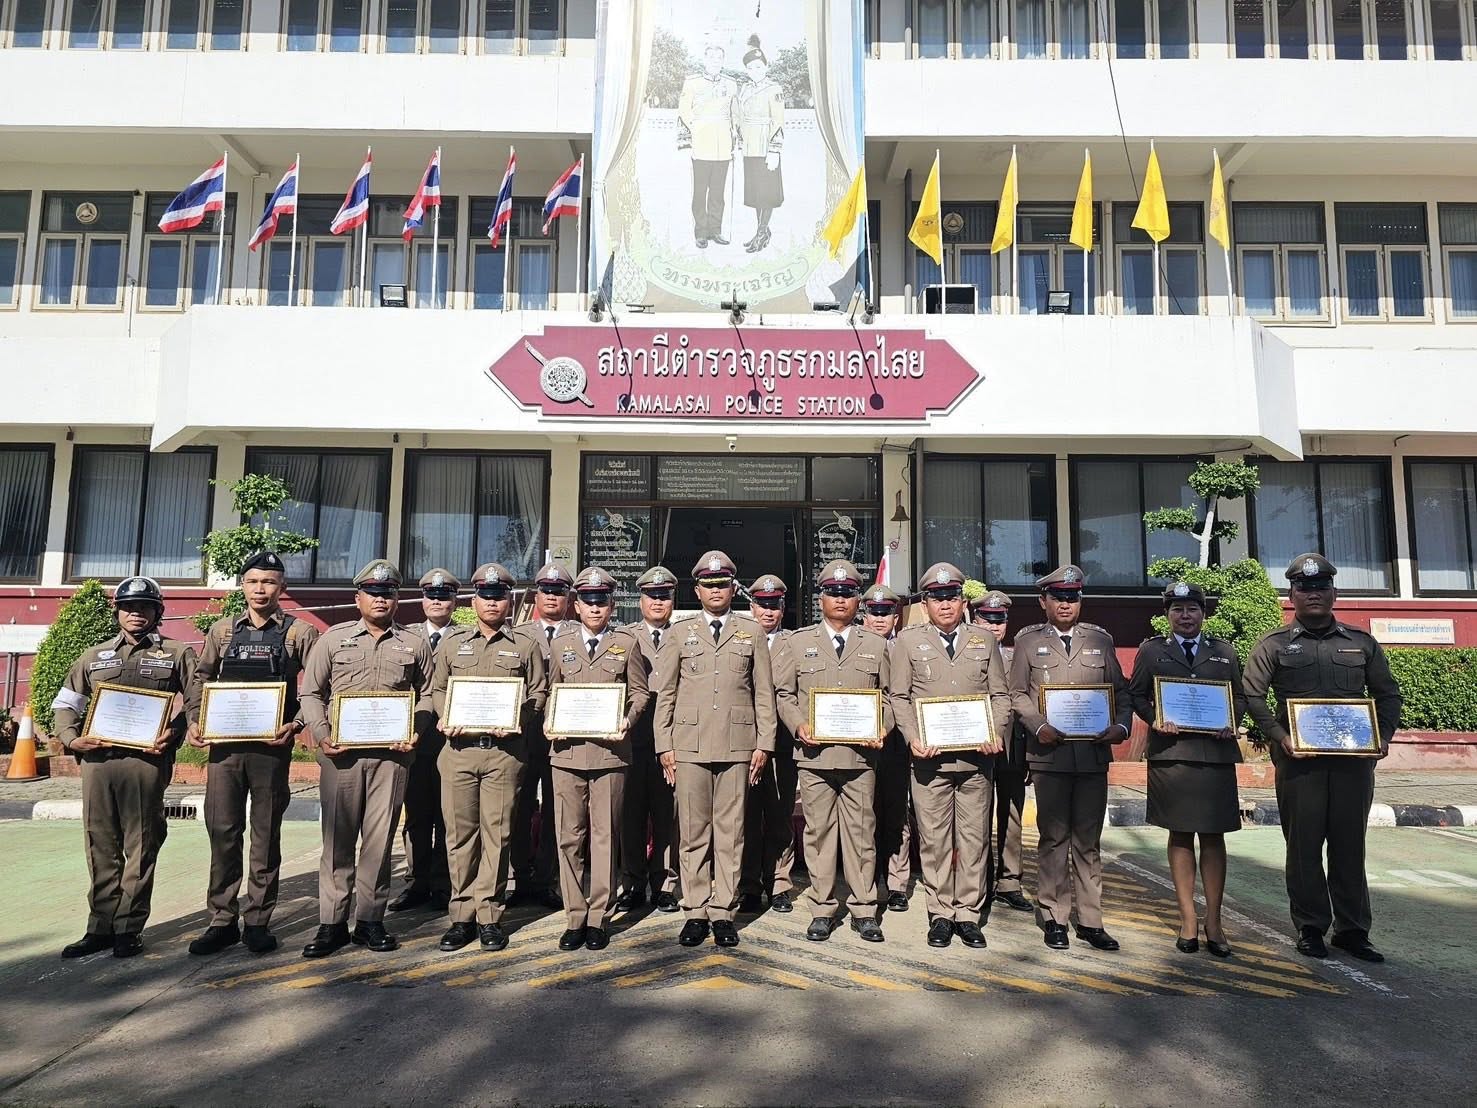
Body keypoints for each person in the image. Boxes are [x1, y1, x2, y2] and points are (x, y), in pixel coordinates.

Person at [1242, 554, 1402, 963]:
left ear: (1334, 593)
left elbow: (1387, 693)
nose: (1313, 594)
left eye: (1320, 587)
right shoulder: (1273, 644)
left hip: (1353, 764)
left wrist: (1382, 736)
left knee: (1350, 845)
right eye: (1304, 588)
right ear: (1292, 594)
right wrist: (1280, 737)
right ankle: (1311, 927)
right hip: (1299, 763)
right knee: (1304, 846)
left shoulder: (1361, 642)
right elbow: (1252, 695)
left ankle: (1352, 930)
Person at [54, 577, 198, 960]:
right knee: (100, 843)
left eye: (145, 607)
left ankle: (128, 928)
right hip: (98, 762)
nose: (136, 613)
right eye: (128, 607)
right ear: (117, 611)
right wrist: (71, 738)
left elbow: (196, 701)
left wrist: (175, 731)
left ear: (158, 612)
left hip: (146, 762)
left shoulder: (177, 653)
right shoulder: (93, 656)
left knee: (142, 843)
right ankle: (99, 927)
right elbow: (66, 703)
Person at [184, 551, 320, 957]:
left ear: (282, 587)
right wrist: (196, 719)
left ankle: (258, 920)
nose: (260, 589)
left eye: (269, 582)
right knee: (223, 832)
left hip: (270, 751)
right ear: (242, 585)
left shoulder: (299, 633)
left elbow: (318, 686)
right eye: (253, 581)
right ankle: (221, 920)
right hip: (225, 750)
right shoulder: (223, 631)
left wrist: (296, 724)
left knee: (265, 834)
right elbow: (201, 677)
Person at [298, 560, 434, 959]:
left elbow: (429, 693)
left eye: (387, 593)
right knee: (337, 841)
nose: (380, 599)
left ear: (396, 599)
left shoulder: (413, 643)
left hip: (392, 759)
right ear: (358, 598)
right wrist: (321, 733)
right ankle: (332, 923)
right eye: (373, 592)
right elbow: (311, 692)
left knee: (378, 841)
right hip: (341, 757)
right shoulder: (333, 639)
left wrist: (416, 729)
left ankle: (370, 920)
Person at [654, 550, 776, 949]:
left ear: (732, 588)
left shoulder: (751, 631)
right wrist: (663, 745)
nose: (716, 591)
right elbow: (666, 693)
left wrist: (764, 743)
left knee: (731, 833)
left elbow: (763, 693)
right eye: (709, 585)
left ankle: (723, 910)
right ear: (698, 590)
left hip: (738, 746)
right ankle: (694, 910)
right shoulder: (680, 632)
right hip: (689, 746)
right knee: (692, 833)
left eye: (722, 584)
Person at [888, 563, 1010, 951]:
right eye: (937, 598)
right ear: (925, 603)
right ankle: (940, 913)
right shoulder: (908, 641)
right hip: (930, 760)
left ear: (962, 602)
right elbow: (899, 697)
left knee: (974, 840)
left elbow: (1000, 695)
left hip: (976, 760)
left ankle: (968, 915)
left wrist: (996, 731)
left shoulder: (983, 640)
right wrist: (912, 737)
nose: (945, 604)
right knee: (935, 841)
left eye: (951, 597)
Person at [1010, 565, 1132, 953]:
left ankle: (1091, 921)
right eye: (1058, 597)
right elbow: (1016, 694)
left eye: (1072, 597)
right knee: (1053, 838)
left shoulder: (1100, 640)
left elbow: (1121, 692)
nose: (1065, 604)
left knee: (1088, 842)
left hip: (1093, 754)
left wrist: (1121, 726)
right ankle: (1054, 917)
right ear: (1043, 601)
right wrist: (1037, 725)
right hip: (1049, 755)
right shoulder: (1028, 642)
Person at [1128, 581, 1249, 957]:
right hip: (1173, 755)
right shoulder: (1152, 651)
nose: (1185, 616)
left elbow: (1240, 695)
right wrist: (1155, 718)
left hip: (1215, 756)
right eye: (1177, 610)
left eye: (1192, 609)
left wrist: (1232, 719)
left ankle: (1214, 920)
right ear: (1168, 614)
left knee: (1214, 837)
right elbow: (1136, 694)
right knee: (1180, 836)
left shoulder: (1223, 652)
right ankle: (1188, 920)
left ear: (1203, 613)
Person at [431, 563, 546, 953]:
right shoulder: (453, 643)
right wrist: (445, 715)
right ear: (474, 600)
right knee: (460, 836)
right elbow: (437, 689)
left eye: (499, 596)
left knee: (497, 837)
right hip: (459, 753)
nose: (492, 602)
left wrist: (518, 719)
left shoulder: (525, 645)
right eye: (485, 595)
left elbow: (539, 692)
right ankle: (461, 916)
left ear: (509, 600)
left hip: (503, 754)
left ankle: (489, 916)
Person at [774, 560, 889, 943]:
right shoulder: (797, 642)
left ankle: (864, 909)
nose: (840, 599)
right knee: (819, 835)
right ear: (820, 597)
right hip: (815, 757)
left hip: (860, 758)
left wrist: (883, 726)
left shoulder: (875, 644)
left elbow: (891, 696)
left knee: (861, 835)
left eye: (848, 593)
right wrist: (798, 724)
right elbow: (784, 693)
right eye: (833, 592)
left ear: (858, 599)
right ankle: (822, 908)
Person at [546, 567, 651, 951]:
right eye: (588, 601)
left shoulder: (627, 643)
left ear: (611, 605)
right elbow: (551, 691)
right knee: (569, 838)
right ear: (576, 605)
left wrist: (628, 720)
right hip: (567, 754)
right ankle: (575, 916)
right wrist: (549, 722)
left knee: (605, 837)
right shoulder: (561, 644)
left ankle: (598, 918)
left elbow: (640, 693)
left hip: (609, 755)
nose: (594, 608)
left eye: (601, 601)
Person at [390, 568, 458, 914]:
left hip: (451, 742)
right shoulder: (403, 637)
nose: (437, 601)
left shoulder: (466, 637)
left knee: (448, 817)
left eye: (443, 596)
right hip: (413, 742)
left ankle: (444, 883)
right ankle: (417, 881)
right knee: (416, 816)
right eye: (431, 596)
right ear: (422, 600)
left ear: (454, 601)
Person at [510, 562, 573, 910]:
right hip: (523, 733)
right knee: (519, 807)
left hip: (564, 736)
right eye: (546, 591)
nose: (552, 597)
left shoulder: (579, 633)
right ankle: (522, 878)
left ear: (568, 598)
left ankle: (547, 879)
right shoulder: (518, 634)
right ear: (536, 596)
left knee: (556, 809)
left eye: (559, 591)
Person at [619, 565, 682, 914]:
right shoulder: (624, 637)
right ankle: (632, 882)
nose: (658, 602)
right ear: (640, 600)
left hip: (671, 739)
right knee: (631, 813)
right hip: (633, 738)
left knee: (667, 814)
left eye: (664, 596)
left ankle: (665, 882)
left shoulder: (685, 636)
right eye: (652, 596)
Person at [739, 573, 795, 915]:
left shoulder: (794, 644)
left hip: (783, 743)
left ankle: (779, 883)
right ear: (752, 607)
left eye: (774, 605)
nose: (768, 611)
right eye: (762, 604)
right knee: (745, 816)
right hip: (745, 742)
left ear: (783, 608)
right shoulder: (738, 637)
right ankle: (748, 885)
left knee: (779, 815)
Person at [975, 590, 1033, 914]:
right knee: (978, 818)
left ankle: (1010, 882)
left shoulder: (1016, 657)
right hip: (978, 748)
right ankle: (981, 882)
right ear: (976, 620)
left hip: (1013, 747)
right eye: (988, 619)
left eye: (1000, 620)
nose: (994, 626)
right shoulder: (969, 655)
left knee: (1012, 816)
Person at [863, 584, 913, 912]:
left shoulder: (906, 647)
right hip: (861, 742)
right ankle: (867, 878)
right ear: (865, 615)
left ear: (896, 617)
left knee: (896, 814)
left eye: (886, 613)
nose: (880, 619)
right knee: (863, 814)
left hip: (896, 744)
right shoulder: (855, 644)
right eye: (874, 612)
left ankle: (896, 883)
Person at [677, 43, 738, 249]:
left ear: (723, 61)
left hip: (723, 147)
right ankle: (701, 232)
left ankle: (715, 230)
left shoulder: (731, 84)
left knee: (718, 193)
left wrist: (736, 138)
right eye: (711, 57)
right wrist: (692, 134)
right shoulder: (692, 83)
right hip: (701, 144)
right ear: (705, 60)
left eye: (719, 58)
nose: (715, 61)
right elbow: (684, 111)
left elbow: (735, 114)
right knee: (700, 192)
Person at [736, 34, 784, 254]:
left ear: (765, 67)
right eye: (750, 68)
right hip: (750, 147)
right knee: (756, 193)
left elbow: (778, 120)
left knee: (767, 193)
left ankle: (762, 233)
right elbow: (740, 116)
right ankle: (761, 231)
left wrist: (775, 150)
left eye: (758, 66)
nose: (754, 71)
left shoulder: (774, 89)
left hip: (766, 145)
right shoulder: (745, 89)